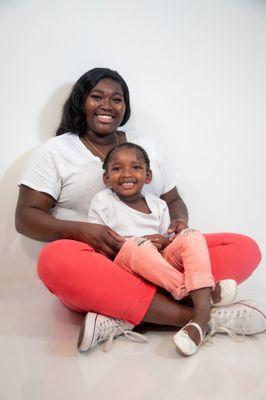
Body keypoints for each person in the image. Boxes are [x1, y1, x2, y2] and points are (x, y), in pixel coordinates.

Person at [15, 67, 264, 355]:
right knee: (54, 260)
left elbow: (173, 200)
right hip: (105, 265)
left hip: (162, 257)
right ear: (81, 102)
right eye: (97, 97)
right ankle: (202, 314)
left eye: (117, 99)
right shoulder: (55, 152)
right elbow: (26, 217)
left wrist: (176, 229)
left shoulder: (147, 147)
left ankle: (121, 315)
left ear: (125, 106)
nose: (107, 106)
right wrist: (82, 231)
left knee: (243, 248)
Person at [87, 142, 238, 355]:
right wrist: (140, 242)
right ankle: (200, 297)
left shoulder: (158, 205)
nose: (126, 174)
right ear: (106, 178)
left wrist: (163, 240)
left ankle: (199, 321)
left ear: (148, 176)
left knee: (191, 235)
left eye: (136, 167)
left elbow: (168, 241)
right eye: (117, 168)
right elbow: (100, 243)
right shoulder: (103, 202)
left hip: (159, 267)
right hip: (126, 264)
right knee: (136, 245)